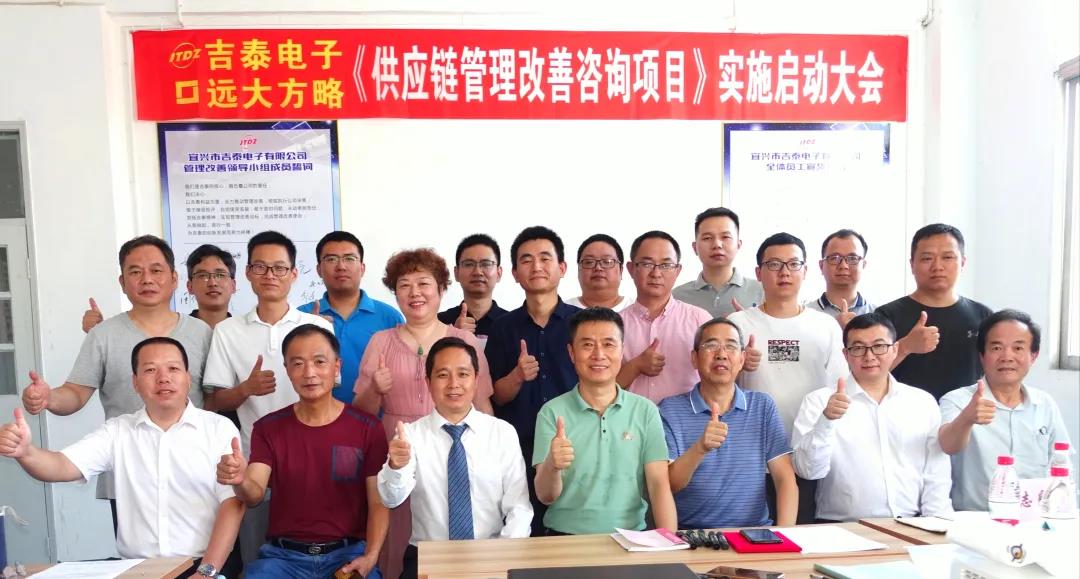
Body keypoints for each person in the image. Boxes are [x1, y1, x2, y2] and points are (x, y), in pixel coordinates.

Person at [2, 338, 242, 578]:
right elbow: (61, 465)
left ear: (188, 378)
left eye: (173, 368)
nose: (163, 378)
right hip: (138, 569)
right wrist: (26, 452)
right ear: (135, 382)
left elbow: (233, 503)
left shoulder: (218, 429)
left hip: (202, 565)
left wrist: (206, 572)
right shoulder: (118, 431)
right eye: (150, 370)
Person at [22, 235, 212, 518]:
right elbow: (75, 393)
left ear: (174, 279)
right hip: (128, 473)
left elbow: (214, 399)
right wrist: (48, 398)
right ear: (122, 282)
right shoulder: (103, 335)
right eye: (135, 272)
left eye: (156, 270)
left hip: (192, 469)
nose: (147, 279)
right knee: (134, 548)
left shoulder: (201, 333)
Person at [352, 247, 494, 579]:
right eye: (404, 285)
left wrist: (492, 450)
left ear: (441, 289)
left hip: (452, 446)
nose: (414, 293)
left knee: (448, 521)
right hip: (394, 446)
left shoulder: (464, 340)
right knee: (397, 529)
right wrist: (375, 389)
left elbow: (483, 404)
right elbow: (361, 414)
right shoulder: (380, 341)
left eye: (424, 283)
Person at [202, 230, 334, 565]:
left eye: (279, 268)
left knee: (321, 560)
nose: (269, 275)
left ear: (294, 274)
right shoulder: (227, 331)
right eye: (260, 267)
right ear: (248, 273)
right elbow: (215, 402)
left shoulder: (317, 327)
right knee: (258, 560)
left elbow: (330, 394)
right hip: (255, 469)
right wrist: (245, 389)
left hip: (314, 466)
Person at [217, 324, 388, 578]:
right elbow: (254, 494)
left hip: (347, 555)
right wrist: (240, 480)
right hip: (282, 559)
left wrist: (370, 557)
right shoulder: (268, 428)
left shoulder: (367, 427)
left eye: (319, 362)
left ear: (337, 367)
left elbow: (378, 502)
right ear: (287, 370)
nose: (309, 373)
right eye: (297, 364)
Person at [377, 337, 532, 579]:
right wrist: (396, 466)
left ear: (476, 380)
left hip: (491, 554)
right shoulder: (410, 435)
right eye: (442, 375)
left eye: (463, 374)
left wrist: (500, 560)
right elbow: (390, 498)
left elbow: (519, 508)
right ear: (428, 383)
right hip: (428, 556)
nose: (453, 384)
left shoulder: (502, 433)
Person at [791, 313, 952, 522]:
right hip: (841, 527)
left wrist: (935, 522)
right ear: (846, 354)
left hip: (913, 523)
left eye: (879, 346)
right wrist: (826, 420)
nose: (869, 356)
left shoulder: (922, 402)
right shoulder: (819, 401)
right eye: (858, 348)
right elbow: (807, 470)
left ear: (895, 349)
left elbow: (936, 470)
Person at [532, 307, 676, 535]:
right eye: (587, 345)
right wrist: (552, 464)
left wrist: (669, 542)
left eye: (609, 344)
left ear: (622, 350)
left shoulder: (645, 410)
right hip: (565, 539)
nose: (598, 354)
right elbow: (545, 496)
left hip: (631, 538)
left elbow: (658, 485)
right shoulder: (551, 412)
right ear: (571, 353)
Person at [485, 225, 581, 535]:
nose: (536, 266)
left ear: (562, 267)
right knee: (525, 533)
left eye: (545, 258)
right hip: (519, 450)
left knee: (574, 533)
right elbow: (495, 396)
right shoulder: (503, 328)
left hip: (574, 446)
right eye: (526, 260)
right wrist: (517, 376)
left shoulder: (581, 324)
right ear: (515, 273)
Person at [660, 318, 797, 528]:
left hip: (754, 533)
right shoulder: (669, 410)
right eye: (711, 345)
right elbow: (668, 485)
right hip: (693, 535)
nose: (721, 354)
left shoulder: (762, 406)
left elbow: (784, 478)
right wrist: (700, 448)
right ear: (694, 358)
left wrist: (785, 536)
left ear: (742, 359)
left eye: (731, 346)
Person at [938, 310, 1072, 511]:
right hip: (975, 519)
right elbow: (947, 446)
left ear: (1033, 356)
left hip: (1034, 517)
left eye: (1018, 348)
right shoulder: (957, 400)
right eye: (997, 348)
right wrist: (966, 419)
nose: (1007, 357)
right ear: (982, 356)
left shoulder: (1045, 404)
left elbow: (1062, 464)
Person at [875, 224, 993, 400]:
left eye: (947, 257)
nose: (937, 266)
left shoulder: (983, 316)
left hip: (966, 413)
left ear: (962, 263)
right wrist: (905, 347)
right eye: (927, 258)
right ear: (912, 264)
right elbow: (866, 374)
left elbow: (997, 372)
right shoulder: (886, 316)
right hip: (903, 413)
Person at [299, 231, 403, 403]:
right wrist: (306, 331)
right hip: (316, 415)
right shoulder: (302, 316)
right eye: (331, 259)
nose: (341, 266)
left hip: (374, 416)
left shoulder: (389, 317)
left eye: (349, 258)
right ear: (318, 269)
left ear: (362, 268)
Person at [617, 231, 712, 403]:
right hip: (630, 419)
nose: (656, 273)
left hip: (687, 419)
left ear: (677, 270)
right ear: (631, 269)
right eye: (647, 264)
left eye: (666, 265)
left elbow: (716, 375)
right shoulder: (615, 324)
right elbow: (601, 389)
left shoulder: (700, 319)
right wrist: (635, 366)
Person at [81, 243, 238, 332]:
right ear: (189, 286)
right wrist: (100, 332)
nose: (212, 282)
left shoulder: (243, 332)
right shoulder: (179, 330)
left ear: (233, 285)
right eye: (202, 275)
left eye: (220, 275)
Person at [673, 207, 764, 318]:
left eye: (725, 237)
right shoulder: (676, 297)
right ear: (695, 247)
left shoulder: (763, 292)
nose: (717, 244)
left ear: (738, 245)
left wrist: (750, 323)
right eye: (707, 238)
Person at [437, 234, 509, 339]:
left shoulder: (512, 324)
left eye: (486, 264)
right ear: (456, 273)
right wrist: (452, 336)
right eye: (469, 264)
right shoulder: (439, 322)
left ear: (499, 273)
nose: (477, 272)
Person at [806, 230, 876, 328]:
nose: (843, 266)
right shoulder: (803, 314)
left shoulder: (879, 316)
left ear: (863, 265)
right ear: (821, 266)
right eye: (835, 258)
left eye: (852, 258)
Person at [565, 233, 629, 310]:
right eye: (589, 262)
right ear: (578, 270)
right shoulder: (562, 311)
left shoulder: (636, 311)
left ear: (621, 270)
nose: (598, 268)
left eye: (607, 262)